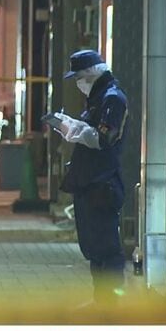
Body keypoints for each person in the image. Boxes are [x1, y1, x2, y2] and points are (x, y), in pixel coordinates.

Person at [56, 49, 129, 304]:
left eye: (79, 77)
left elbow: (105, 138)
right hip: (90, 183)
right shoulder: (99, 97)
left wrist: (76, 130)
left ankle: (111, 303)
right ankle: (102, 301)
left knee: (107, 249)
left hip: (102, 184)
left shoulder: (112, 98)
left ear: (90, 74)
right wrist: (73, 126)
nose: (78, 83)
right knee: (94, 248)